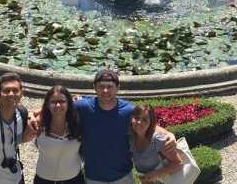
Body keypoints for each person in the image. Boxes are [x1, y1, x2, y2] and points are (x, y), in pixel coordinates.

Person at [31, 70, 177, 184]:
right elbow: (57, 107)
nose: (105, 91)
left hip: (123, 177)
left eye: (109, 87)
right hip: (93, 177)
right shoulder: (83, 107)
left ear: (118, 88)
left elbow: (148, 123)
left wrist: (169, 134)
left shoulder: (128, 110)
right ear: (94, 87)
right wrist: (33, 115)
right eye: (101, 87)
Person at [33, 85, 84, 184]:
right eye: (53, 102)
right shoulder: (38, 124)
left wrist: (79, 99)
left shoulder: (78, 123)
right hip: (43, 180)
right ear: (47, 104)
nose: (57, 105)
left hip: (74, 180)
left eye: (62, 101)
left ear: (69, 103)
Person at [130, 104, 183, 184]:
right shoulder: (130, 138)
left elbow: (178, 163)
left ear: (151, 122)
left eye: (145, 120)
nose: (139, 122)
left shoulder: (157, 140)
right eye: (136, 118)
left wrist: (155, 174)